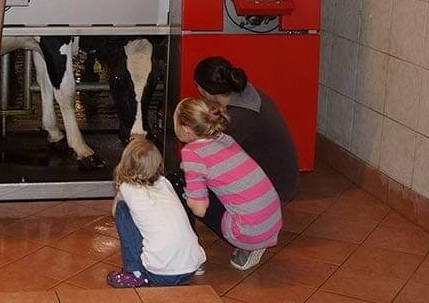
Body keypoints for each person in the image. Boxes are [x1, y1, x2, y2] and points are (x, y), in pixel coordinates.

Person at [176, 97, 281, 271]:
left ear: (186, 129)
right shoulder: (224, 138)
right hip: (271, 221)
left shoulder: (192, 153)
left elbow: (199, 209)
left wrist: (187, 191)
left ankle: (192, 254)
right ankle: (252, 241)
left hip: (248, 232)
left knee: (178, 183)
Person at [193, 57, 299, 202]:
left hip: (272, 191)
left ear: (206, 91)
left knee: (196, 181)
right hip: (281, 180)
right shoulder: (247, 92)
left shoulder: (239, 118)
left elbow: (205, 155)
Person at [106, 136, 206, 289]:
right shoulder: (165, 183)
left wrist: (120, 194)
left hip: (161, 274)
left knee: (122, 210)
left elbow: (114, 212)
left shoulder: (127, 188)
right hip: (190, 269)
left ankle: (135, 273)